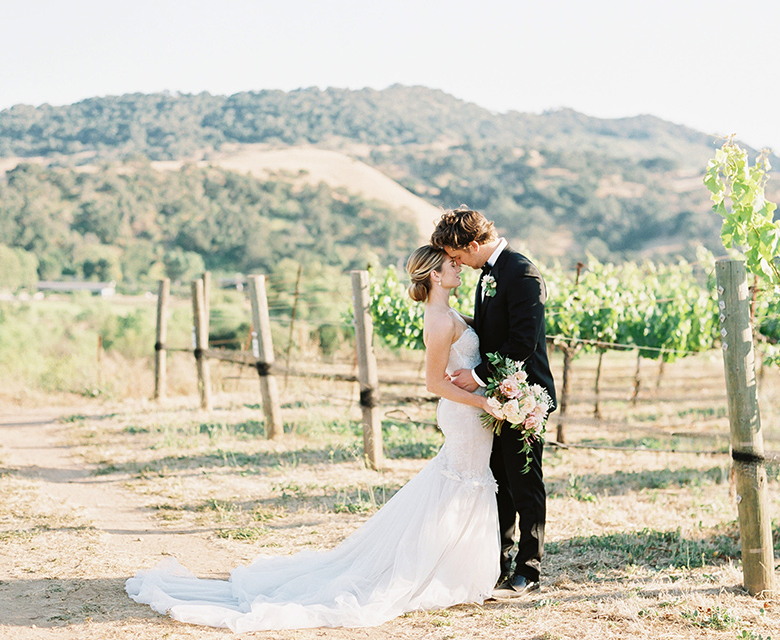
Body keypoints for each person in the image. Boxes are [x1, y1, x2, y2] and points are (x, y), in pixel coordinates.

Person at [125, 245, 505, 633]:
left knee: (462, 483)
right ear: (435, 276)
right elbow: (433, 382)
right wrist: (483, 401)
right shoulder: (440, 320)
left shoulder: (450, 312)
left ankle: (448, 569)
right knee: (462, 482)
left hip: (471, 413)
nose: (459, 267)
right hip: (464, 413)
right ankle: (435, 571)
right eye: (451, 265)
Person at [430, 206, 556, 599]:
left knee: (524, 481)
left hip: (524, 395)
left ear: (472, 244)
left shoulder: (522, 273)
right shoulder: (488, 274)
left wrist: (479, 376)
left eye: (458, 256)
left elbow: (523, 342)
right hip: (492, 399)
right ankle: (497, 563)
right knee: (498, 481)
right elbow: (490, 330)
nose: (457, 263)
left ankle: (529, 569)